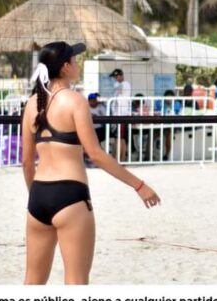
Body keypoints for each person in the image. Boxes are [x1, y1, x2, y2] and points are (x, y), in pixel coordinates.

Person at [21, 42, 160, 285]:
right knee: (76, 282)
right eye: (74, 60)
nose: (78, 63)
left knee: (32, 282)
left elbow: (26, 161)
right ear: (65, 67)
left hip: (39, 196)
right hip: (69, 196)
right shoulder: (74, 101)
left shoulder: (32, 104)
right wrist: (139, 185)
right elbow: (95, 154)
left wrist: (36, 196)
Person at [109, 68, 131, 161]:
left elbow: (119, 87)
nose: (115, 79)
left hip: (122, 114)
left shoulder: (125, 84)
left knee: (120, 138)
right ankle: (116, 158)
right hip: (116, 115)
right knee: (117, 138)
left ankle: (120, 159)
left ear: (121, 75)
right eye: (114, 77)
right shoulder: (118, 86)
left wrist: (115, 84)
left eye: (116, 76)